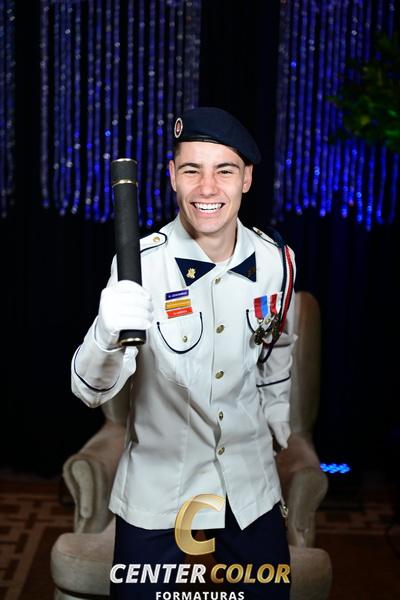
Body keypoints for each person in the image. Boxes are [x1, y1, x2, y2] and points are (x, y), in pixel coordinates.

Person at [71, 106, 297, 599]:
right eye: (192, 170)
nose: (207, 188)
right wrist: (106, 331)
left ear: (247, 179)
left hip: (249, 489)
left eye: (225, 171)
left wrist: (277, 426)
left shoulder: (276, 261)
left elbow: (277, 350)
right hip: (159, 492)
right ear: (172, 176)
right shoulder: (140, 264)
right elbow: (90, 390)